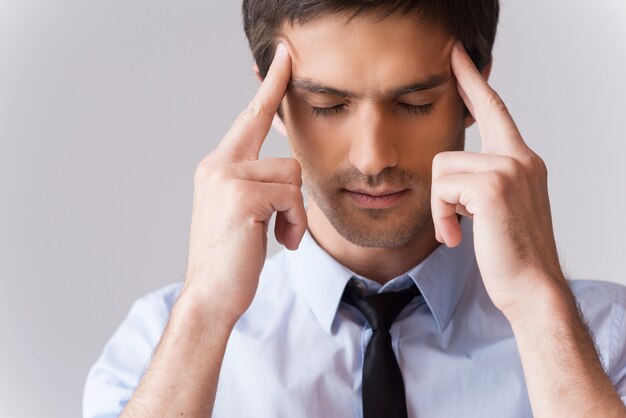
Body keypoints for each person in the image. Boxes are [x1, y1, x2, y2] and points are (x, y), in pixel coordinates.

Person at [83, 1, 626, 417]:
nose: (373, 158)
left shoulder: (607, 339)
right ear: (270, 104)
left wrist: (538, 305)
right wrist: (202, 314)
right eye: (328, 106)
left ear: (473, 91)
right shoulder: (159, 345)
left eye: (414, 104)